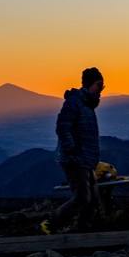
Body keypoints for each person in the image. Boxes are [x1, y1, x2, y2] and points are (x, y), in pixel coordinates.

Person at [42, 67, 104, 234]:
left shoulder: (87, 105)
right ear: (90, 84)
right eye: (99, 85)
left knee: (92, 202)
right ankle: (49, 224)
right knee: (82, 198)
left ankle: (84, 233)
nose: (101, 90)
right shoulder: (75, 102)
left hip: (86, 160)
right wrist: (72, 149)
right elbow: (63, 127)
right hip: (75, 160)